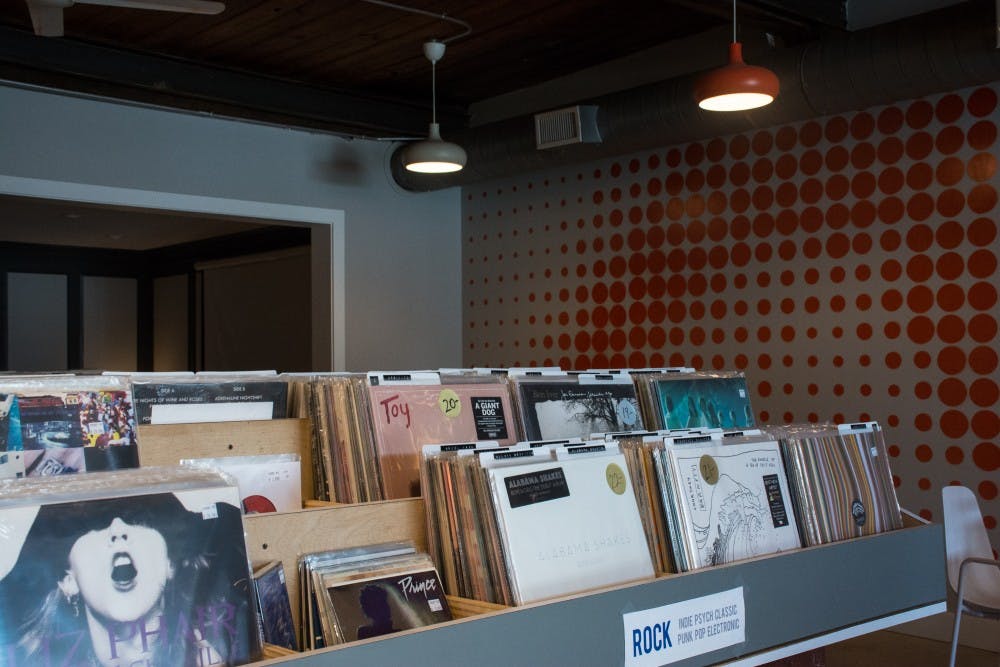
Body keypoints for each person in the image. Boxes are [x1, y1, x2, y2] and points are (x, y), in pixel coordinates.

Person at [0, 492, 257, 666]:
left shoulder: (230, 644)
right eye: (94, 525)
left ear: (170, 564)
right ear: (68, 581)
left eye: (140, 520)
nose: (118, 530)